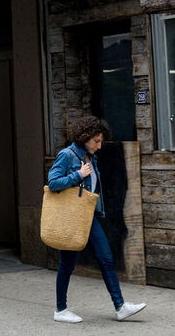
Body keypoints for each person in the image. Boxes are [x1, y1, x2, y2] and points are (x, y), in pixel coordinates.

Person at [48, 115, 146, 324]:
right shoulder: (68, 155)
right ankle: (60, 310)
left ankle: (120, 307)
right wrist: (78, 175)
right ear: (85, 137)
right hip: (72, 217)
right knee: (67, 264)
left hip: (88, 216)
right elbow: (53, 182)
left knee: (106, 258)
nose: (99, 146)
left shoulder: (90, 157)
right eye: (96, 141)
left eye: (100, 141)